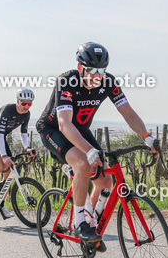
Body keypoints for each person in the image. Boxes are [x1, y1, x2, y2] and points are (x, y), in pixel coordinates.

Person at [37, 42, 158, 247]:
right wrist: (89, 150)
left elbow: (128, 112)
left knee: (105, 181)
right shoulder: (66, 81)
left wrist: (146, 137)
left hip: (80, 131)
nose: (96, 75)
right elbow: (64, 123)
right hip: (54, 130)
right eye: (91, 70)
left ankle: (89, 224)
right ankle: (79, 224)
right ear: (80, 68)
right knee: (83, 164)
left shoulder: (108, 82)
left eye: (101, 71)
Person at [0, 88, 37, 218]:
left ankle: (1, 204)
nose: (26, 106)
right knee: (2, 165)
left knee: (9, 171)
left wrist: (27, 148)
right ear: (18, 101)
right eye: (24, 103)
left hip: (1, 138)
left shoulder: (26, 114)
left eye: (29, 103)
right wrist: (4, 156)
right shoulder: (7, 110)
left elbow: (23, 133)